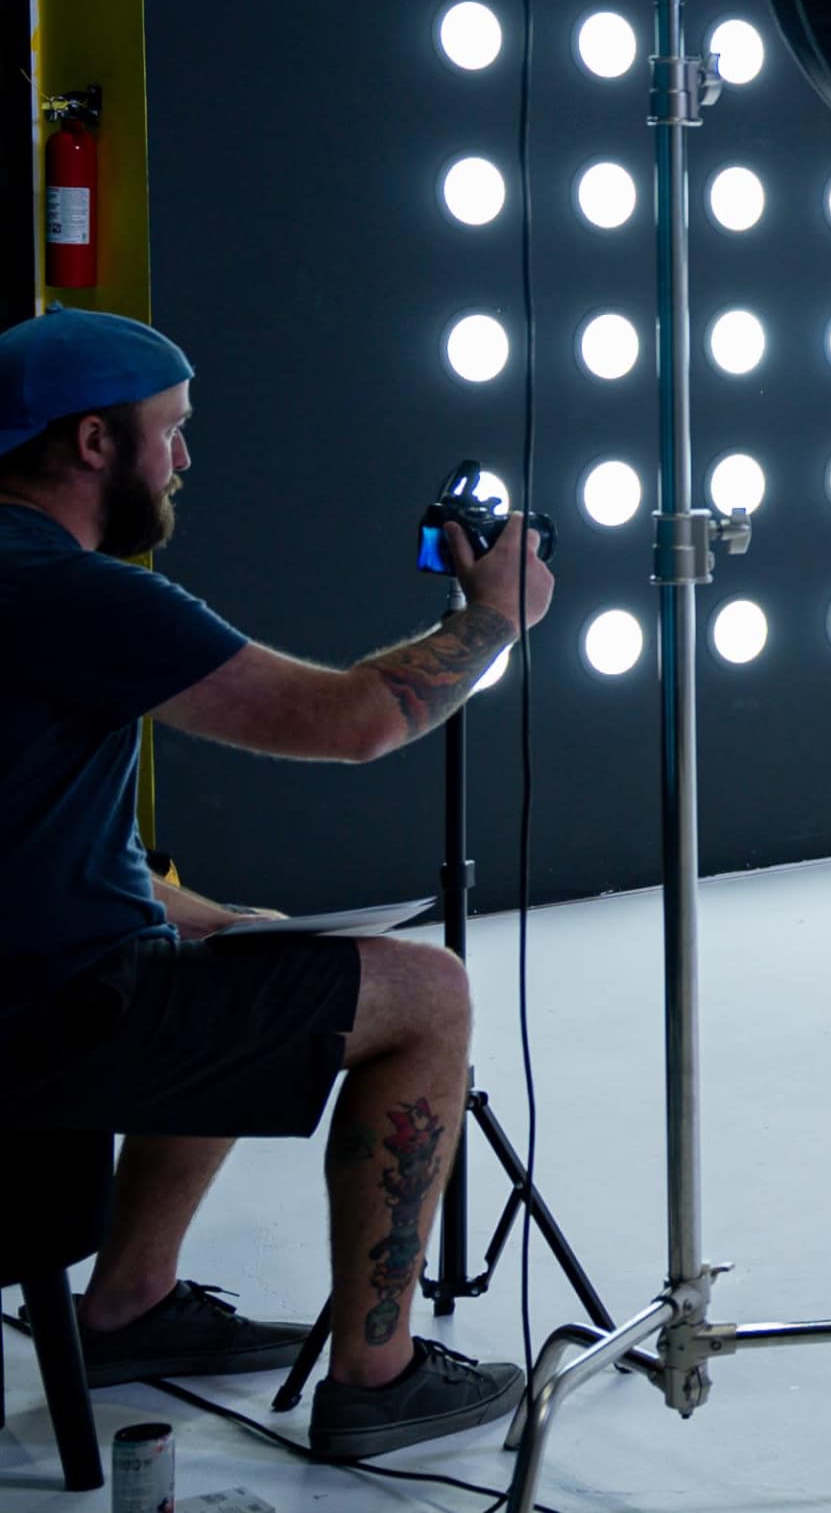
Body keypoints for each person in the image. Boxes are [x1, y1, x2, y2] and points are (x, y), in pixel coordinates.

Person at [0, 309, 554, 1461]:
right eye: (173, 431)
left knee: (240, 940)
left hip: (25, 978)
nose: (185, 461)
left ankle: (129, 1305)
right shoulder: (67, 591)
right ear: (96, 442)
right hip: (35, 1023)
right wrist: (493, 617)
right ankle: (378, 1376)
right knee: (428, 992)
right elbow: (351, 721)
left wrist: (205, 919)